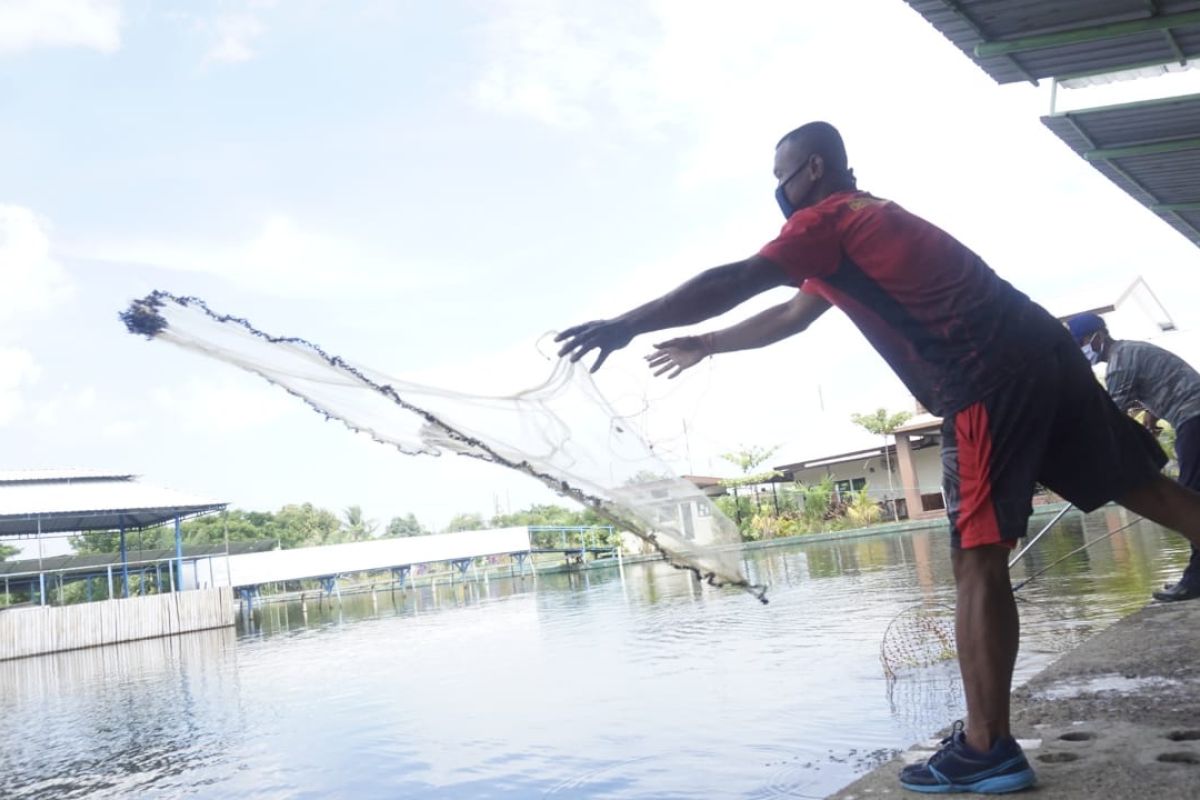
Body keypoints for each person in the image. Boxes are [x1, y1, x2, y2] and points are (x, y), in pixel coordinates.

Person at [555, 121, 1200, 795]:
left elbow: (739, 278)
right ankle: (987, 740)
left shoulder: (827, 219)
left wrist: (627, 323)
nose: (777, 191)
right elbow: (790, 316)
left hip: (984, 375)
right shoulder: (867, 224)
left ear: (810, 169)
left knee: (976, 557)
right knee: (1140, 486)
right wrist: (708, 344)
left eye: (780, 176)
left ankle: (988, 748)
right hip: (1042, 349)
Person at [1067, 312, 1200, 602]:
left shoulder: (1120, 363)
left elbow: (1110, 419)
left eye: (1081, 342)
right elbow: (1167, 381)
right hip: (1191, 417)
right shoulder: (1132, 351)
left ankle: (1195, 580)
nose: (1080, 350)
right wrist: (1151, 419)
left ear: (1098, 336)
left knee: (1190, 498)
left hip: (1195, 419)